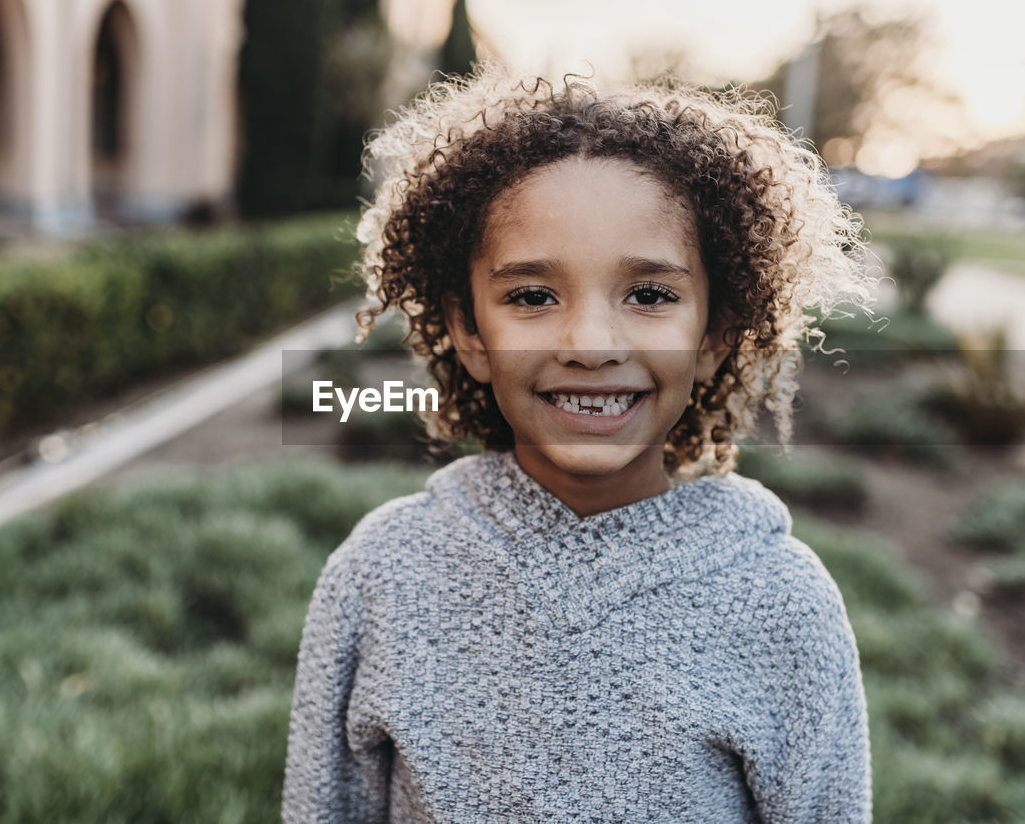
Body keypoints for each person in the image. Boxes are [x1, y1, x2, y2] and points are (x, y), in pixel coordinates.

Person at [282, 67, 875, 823]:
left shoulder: (782, 603)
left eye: (650, 295)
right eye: (532, 296)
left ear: (715, 335)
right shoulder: (380, 575)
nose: (591, 343)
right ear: (467, 331)